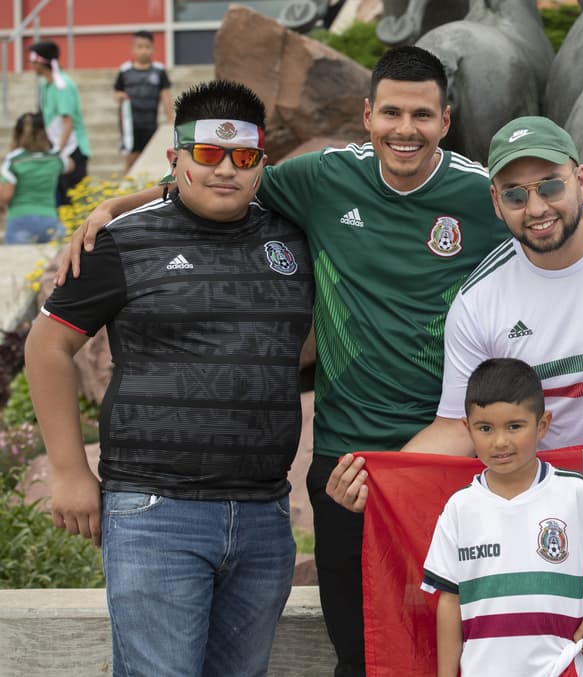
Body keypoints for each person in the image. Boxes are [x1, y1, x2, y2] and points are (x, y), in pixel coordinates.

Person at [58, 46, 512, 677]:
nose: (405, 129)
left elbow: (555, 221)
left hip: (449, 456)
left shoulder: (478, 192)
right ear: (367, 115)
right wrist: (115, 207)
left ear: (446, 120)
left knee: (470, 647)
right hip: (345, 466)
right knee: (362, 651)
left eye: (421, 115)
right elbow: (220, 173)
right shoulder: (324, 177)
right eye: (391, 113)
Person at [24, 80, 314, 676]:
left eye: (242, 157)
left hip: (263, 514)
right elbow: (47, 346)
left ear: (262, 162)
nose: (225, 170)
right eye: (207, 154)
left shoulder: (293, 235)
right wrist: (70, 469)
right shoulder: (122, 242)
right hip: (157, 513)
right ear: (175, 157)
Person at [326, 116, 583, 505]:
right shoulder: (477, 300)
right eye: (515, 196)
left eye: (551, 186)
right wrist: (386, 480)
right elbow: (458, 429)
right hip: (552, 509)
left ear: (582, 181)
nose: (536, 208)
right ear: (495, 202)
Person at [420, 357, 583, 677]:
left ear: (542, 424)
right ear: (467, 429)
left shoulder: (574, 492)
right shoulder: (459, 509)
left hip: (560, 667)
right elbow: (449, 602)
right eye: (485, 428)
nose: (500, 441)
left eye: (514, 426)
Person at [30, 40, 89, 207]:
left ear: (42, 62)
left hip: (71, 150)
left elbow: (67, 121)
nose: (31, 65)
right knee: (60, 203)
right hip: (57, 150)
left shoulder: (62, 85)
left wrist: (59, 150)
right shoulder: (46, 85)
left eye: (33, 61)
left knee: (74, 202)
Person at [113, 29, 174, 173]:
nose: (143, 51)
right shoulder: (125, 70)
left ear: (153, 48)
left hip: (150, 123)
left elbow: (165, 95)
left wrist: (170, 119)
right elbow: (117, 92)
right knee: (131, 157)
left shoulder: (159, 71)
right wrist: (120, 96)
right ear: (133, 49)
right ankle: (126, 189)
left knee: (150, 156)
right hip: (130, 125)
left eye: (147, 47)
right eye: (139, 47)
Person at [1, 112, 65, 244]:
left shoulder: (13, 160)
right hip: (50, 221)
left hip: (20, 221)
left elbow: (5, 195)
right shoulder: (56, 159)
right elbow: (70, 165)